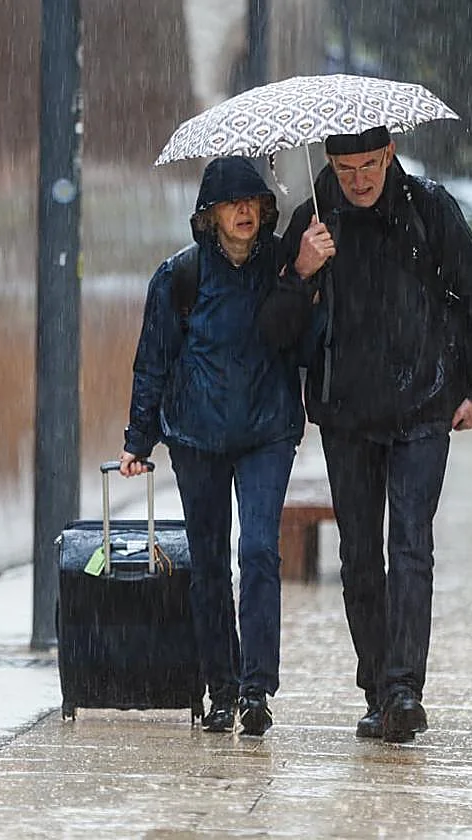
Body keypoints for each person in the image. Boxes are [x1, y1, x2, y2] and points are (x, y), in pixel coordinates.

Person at [269, 125, 472, 743]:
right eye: (347, 170)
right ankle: (376, 685)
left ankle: (404, 689)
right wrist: (301, 268)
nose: (360, 180)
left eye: (370, 165)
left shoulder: (431, 208)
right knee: (359, 557)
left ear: (390, 155)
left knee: (410, 546)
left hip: (425, 404)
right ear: (330, 164)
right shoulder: (313, 219)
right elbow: (276, 333)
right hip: (347, 413)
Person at [118, 156, 316, 736]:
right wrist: (138, 438)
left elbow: (304, 335)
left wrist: (305, 273)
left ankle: (257, 689)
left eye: (253, 202)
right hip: (196, 436)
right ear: (209, 215)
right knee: (208, 563)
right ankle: (220, 688)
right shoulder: (178, 277)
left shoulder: (285, 263)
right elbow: (152, 361)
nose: (245, 212)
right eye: (232, 203)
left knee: (258, 551)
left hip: (268, 433)